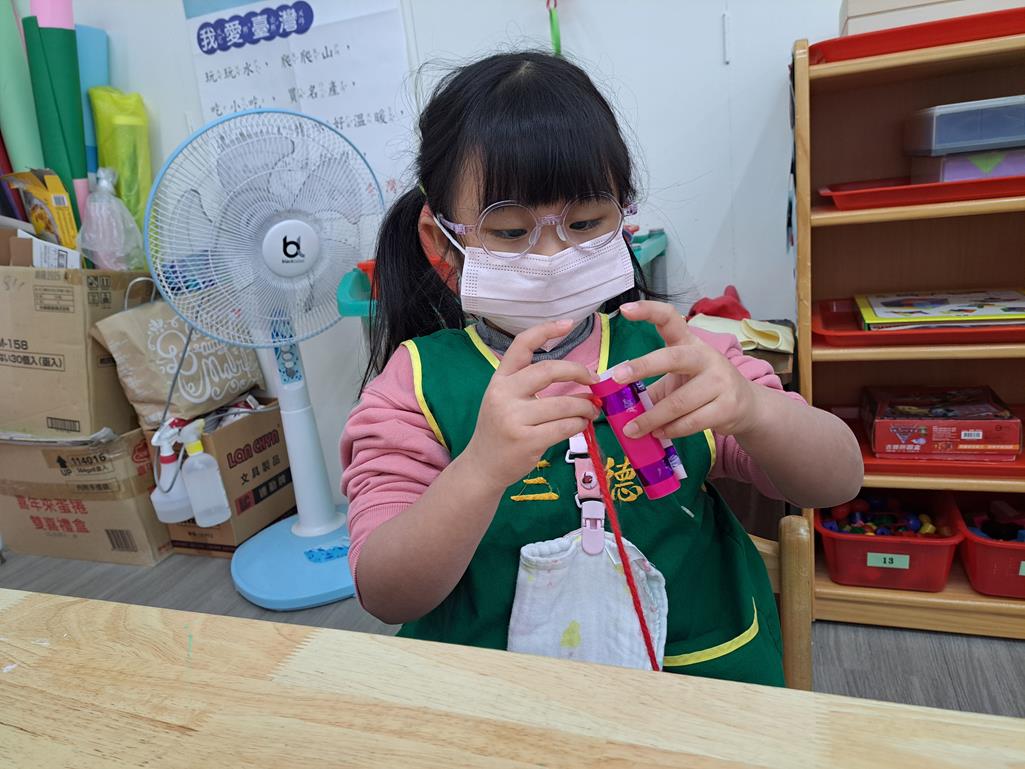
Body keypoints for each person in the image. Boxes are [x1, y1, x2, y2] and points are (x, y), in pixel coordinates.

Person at [342, 51, 862, 685]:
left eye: (587, 223)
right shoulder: (415, 386)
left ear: (623, 218)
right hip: (502, 697)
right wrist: (479, 470)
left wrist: (754, 411)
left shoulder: (676, 354)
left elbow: (837, 480)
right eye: (509, 231)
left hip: (695, 681)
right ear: (442, 243)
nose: (554, 255)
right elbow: (387, 593)